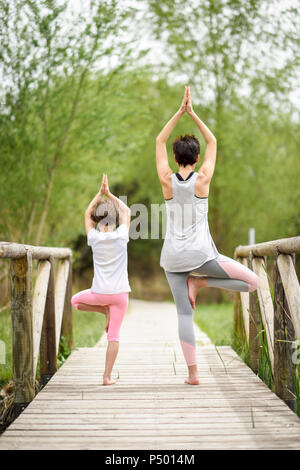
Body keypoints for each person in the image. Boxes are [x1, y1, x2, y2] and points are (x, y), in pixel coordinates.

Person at [156, 86, 259, 385]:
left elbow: (159, 139)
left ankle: (193, 375)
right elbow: (213, 140)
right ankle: (200, 281)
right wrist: (193, 112)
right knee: (251, 283)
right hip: (202, 255)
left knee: (184, 316)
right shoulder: (203, 179)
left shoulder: (166, 181)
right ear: (198, 157)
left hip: (173, 259)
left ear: (175, 158)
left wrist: (179, 112)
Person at [71, 174, 131, 386]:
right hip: (121, 295)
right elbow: (127, 211)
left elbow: (87, 213)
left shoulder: (94, 238)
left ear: (98, 222)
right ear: (114, 221)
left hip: (99, 293)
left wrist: (99, 194)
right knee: (113, 336)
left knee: (75, 301)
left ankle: (102, 310)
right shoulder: (122, 235)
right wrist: (110, 194)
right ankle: (106, 377)